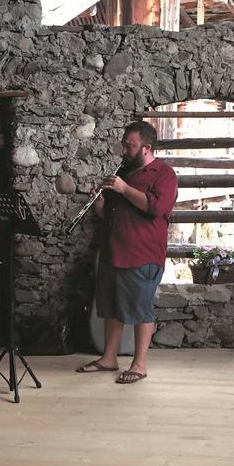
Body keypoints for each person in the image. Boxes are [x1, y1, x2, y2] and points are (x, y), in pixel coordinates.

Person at [75, 120, 178, 384]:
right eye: (123, 145)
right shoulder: (125, 172)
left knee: (141, 309)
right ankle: (109, 358)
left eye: (129, 146)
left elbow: (155, 208)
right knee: (111, 308)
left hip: (142, 255)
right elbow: (108, 216)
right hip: (113, 252)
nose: (124, 151)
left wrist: (123, 188)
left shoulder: (164, 174)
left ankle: (139, 365)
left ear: (146, 148)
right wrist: (100, 203)